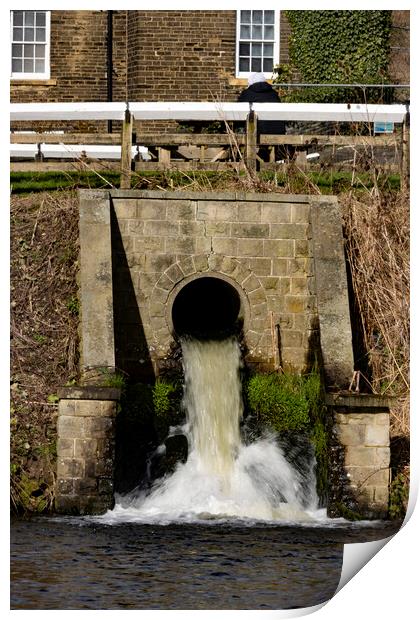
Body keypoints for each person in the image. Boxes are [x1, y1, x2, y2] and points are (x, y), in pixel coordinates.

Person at [238, 72, 287, 162]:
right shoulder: (273, 93)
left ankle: (247, 160)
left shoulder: (247, 93)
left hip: (256, 132)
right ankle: (269, 158)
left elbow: (238, 112)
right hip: (277, 131)